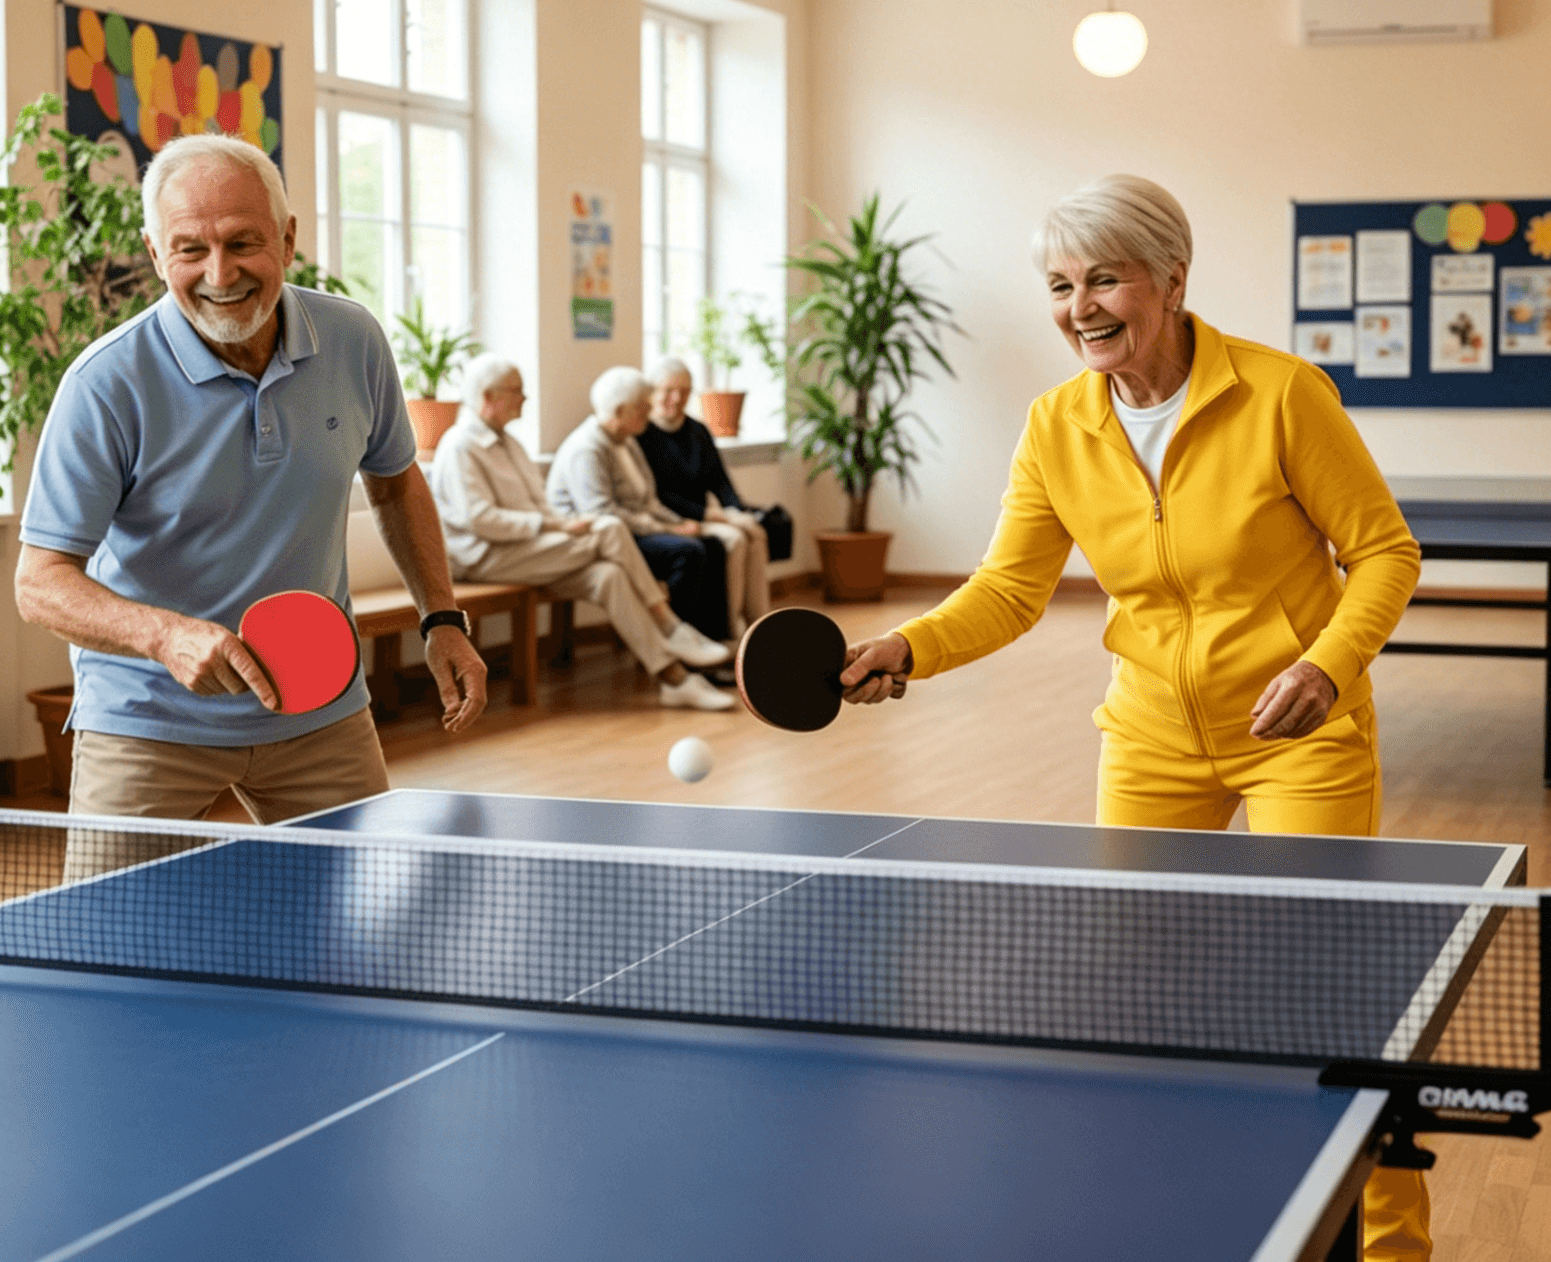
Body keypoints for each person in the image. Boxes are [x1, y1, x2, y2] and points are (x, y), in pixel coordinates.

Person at [831, 175, 1431, 1259]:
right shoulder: (1056, 425)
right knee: (1138, 1007)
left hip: (1297, 739)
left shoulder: (1280, 393)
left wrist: (1330, 666)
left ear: (1170, 279)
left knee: (1339, 1008)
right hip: (1152, 739)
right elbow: (1010, 590)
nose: (1080, 306)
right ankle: (1175, 1217)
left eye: (1105, 277)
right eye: (1061, 285)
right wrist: (908, 646)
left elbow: (1385, 550)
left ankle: (1388, 1250)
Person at [15, 133, 488, 834]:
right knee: (105, 941)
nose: (219, 272)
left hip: (321, 707)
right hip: (150, 718)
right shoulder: (106, 383)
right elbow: (39, 581)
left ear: (288, 239)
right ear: (154, 254)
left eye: (243, 243)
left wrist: (442, 617)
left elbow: (395, 481)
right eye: (190, 250)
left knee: (350, 938)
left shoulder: (353, 340)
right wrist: (165, 636)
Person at [434, 355, 738, 711]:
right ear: (488, 396)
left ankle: (675, 680)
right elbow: (481, 521)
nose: (525, 398)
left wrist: (555, 525)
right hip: (483, 556)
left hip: (527, 549)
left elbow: (540, 505)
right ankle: (671, 626)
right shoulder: (459, 445)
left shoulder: (511, 444)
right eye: (516, 391)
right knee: (609, 527)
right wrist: (556, 526)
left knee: (608, 575)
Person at [549, 367, 732, 641]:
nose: (649, 412)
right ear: (621, 410)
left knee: (714, 545)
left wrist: (677, 522)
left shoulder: (627, 441)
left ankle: (717, 640)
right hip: (601, 539)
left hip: (636, 529)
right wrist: (668, 531)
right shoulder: (587, 448)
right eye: (643, 408)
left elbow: (648, 499)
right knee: (688, 552)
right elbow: (602, 513)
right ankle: (681, 643)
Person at [639, 356, 771, 639]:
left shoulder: (697, 431)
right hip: (674, 518)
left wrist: (736, 511)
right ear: (652, 392)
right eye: (669, 391)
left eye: (684, 392)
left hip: (706, 514)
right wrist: (707, 514)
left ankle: (760, 627)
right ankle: (728, 633)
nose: (677, 398)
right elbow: (657, 495)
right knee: (733, 539)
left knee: (754, 532)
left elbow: (721, 482)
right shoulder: (642, 434)